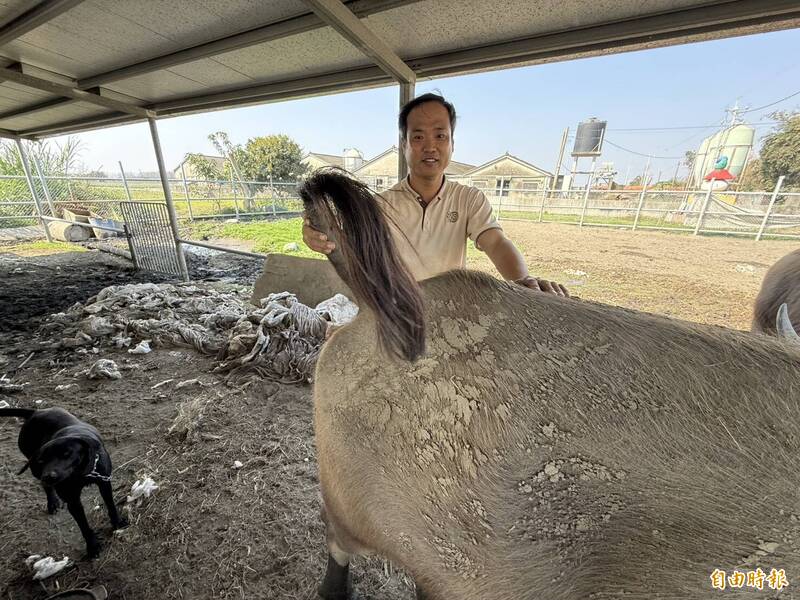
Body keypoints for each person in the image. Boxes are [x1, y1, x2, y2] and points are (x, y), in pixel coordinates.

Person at [303, 92, 569, 296]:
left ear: (452, 143)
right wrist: (316, 234)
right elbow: (348, 243)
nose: (430, 146)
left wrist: (522, 281)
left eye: (440, 136)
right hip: (396, 307)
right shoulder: (381, 204)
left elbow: (496, 243)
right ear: (404, 145)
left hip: (451, 308)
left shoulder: (469, 200)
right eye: (418, 137)